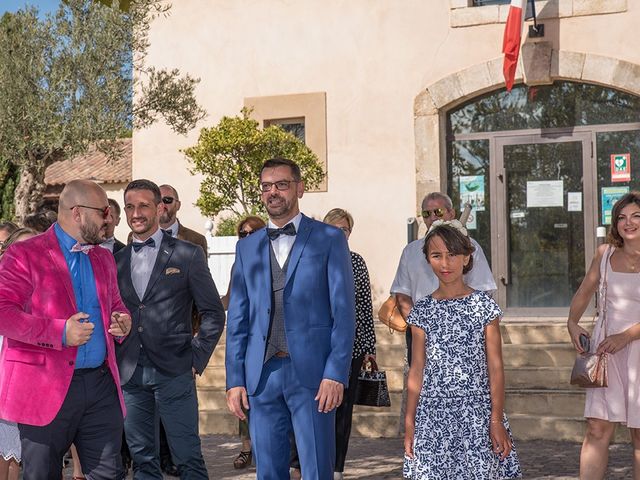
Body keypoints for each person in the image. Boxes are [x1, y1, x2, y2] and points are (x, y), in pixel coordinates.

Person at [225, 158, 356, 479]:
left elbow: (344, 312)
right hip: (261, 375)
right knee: (268, 471)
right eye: (266, 186)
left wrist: (335, 373)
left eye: (281, 184)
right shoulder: (247, 248)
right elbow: (238, 318)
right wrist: (235, 379)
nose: (273, 192)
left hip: (312, 375)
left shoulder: (329, 239)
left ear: (299, 188)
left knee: (316, 470)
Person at [0, 179, 132, 479]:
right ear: (77, 213)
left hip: (100, 387)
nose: (109, 219)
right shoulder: (24, 254)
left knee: (110, 474)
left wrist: (123, 321)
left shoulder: (104, 257)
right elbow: (3, 313)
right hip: (41, 388)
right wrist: (59, 332)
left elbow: (116, 305)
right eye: (103, 212)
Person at [115, 179, 225, 479]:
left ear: (159, 207)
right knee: (142, 460)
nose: (136, 213)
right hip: (130, 372)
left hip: (175, 370)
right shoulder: (116, 260)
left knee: (187, 457)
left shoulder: (187, 254)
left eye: (143, 206)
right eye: (130, 207)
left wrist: (196, 357)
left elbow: (213, 313)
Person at [403, 219, 521, 479]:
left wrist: (496, 419)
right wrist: (410, 422)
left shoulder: (483, 306)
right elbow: (417, 369)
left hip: (476, 415)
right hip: (432, 416)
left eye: (452, 254)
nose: (445, 264)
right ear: (428, 260)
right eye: (437, 256)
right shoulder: (422, 310)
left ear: (467, 258)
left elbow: (495, 367)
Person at [289, 208, 377, 480]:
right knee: (306, 406)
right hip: (311, 347)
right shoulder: (307, 257)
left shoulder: (356, 261)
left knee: (341, 410)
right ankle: (299, 464)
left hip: (347, 348)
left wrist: (368, 348)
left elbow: (363, 306)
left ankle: (336, 467)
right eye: (334, 228)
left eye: (345, 229)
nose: (340, 234)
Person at [567, 192, 640, 480]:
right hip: (606, 353)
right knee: (597, 428)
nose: (628, 222)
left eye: (636, 216)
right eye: (622, 217)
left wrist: (628, 335)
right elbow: (585, 291)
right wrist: (572, 322)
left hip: (636, 350)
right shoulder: (605, 253)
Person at [391, 192, 496, 365]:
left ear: (451, 213)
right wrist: (420, 326)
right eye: (426, 213)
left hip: (463, 332)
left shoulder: (470, 247)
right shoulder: (410, 251)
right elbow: (402, 294)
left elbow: (483, 290)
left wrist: (459, 326)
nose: (432, 217)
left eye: (438, 212)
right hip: (421, 332)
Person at [220, 215, 267, 470]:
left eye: (253, 232)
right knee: (243, 397)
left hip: (270, 343)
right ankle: (246, 448)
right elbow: (230, 299)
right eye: (242, 233)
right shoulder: (239, 262)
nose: (247, 237)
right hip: (246, 343)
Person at [0, 227, 37, 480]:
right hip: (3, 371)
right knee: (5, 451)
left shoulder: (52, 290)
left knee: (29, 454)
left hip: (33, 377)